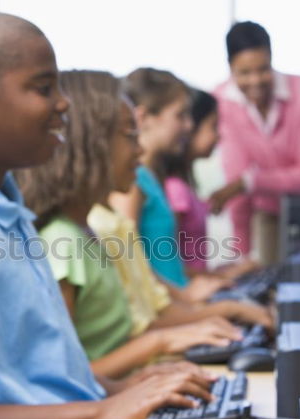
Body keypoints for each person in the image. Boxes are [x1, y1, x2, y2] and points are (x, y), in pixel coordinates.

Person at [0, 10, 215, 419]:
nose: (64, 105)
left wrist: (125, 391)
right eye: (43, 88)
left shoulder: (9, 213)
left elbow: (41, 378)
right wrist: (102, 412)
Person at [16, 70, 243, 378]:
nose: (139, 149)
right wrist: (158, 344)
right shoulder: (64, 244)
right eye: (128, 135)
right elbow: (65, 376)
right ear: (92, 146)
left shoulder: (90, 235)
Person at [109, 67, 229, 300]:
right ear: (143, 118)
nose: (188, 126)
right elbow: (127, 264)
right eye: (180, 115)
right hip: (169, 307)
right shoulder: (133, 182)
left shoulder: (151, 178)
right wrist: (186, 297)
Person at [210, 21, 300, 265]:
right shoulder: (222, 102)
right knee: (265, 274)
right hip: (266, 210)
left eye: (263, 69)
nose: (255, 81)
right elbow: (236, 184)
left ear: (272, 59)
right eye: (244, 72)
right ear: (230, 68)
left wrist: (250, 181)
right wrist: (241, 254)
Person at [161, 89, 258, 279]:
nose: (218, 136)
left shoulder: (183, 187)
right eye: (213, 126)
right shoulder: (176, 190)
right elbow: (169, 267)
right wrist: (222, 277)